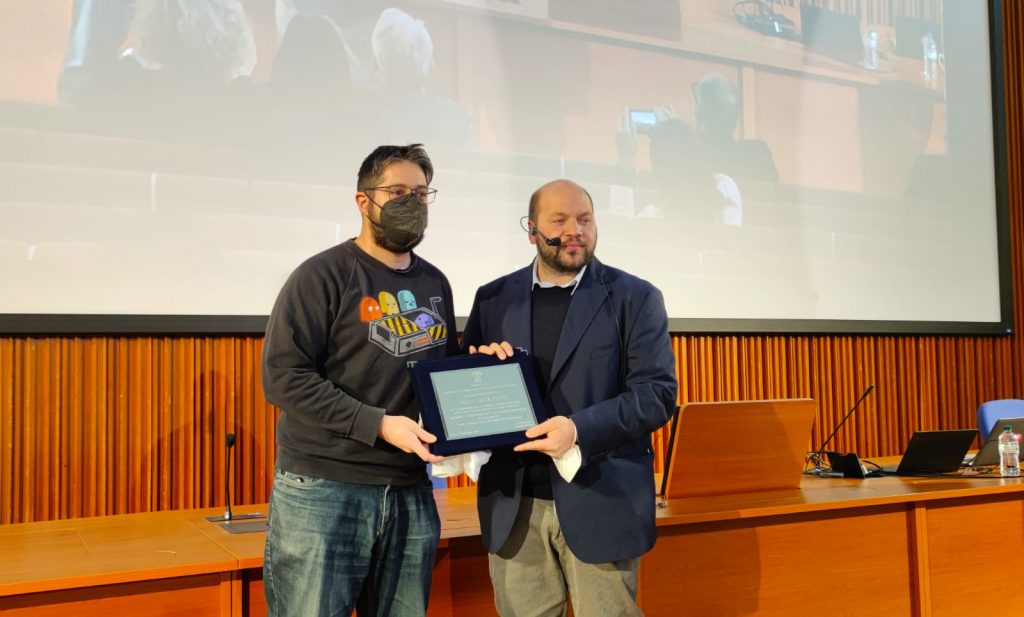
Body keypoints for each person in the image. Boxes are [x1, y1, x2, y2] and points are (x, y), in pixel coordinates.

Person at [462, 179, 678, 616]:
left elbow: (657, 394)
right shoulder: (492, 299)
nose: (575, 229)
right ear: (532, 230)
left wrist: (578, 430)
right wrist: (480, 373)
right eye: (559, 220)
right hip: (514, 507)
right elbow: (468, 394)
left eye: (585, 219)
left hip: (603, 501)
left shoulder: (635, 297)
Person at [261, 144, 454, 617]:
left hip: (410, 489)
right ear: (363, 201)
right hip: (324, 489)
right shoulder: (321, 276)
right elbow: (283, 377)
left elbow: (438, 377)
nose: (411, 202)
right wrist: (379, 424)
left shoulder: (435, 284)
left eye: (421, 192)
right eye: (397, 191)